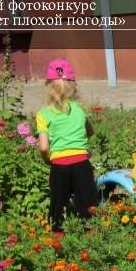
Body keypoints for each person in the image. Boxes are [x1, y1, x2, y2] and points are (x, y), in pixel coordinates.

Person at [36, 59, 97, 236]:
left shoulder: (43, 114)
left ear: (48, 85)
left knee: (58, 207)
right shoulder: (79, 109)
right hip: (82, 164)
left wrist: (48, 159)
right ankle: (92, 242)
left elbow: (43, 146)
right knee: (89, 208)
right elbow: (90, 132)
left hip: (59, 166)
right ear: (73, 85)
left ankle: (58, 246)